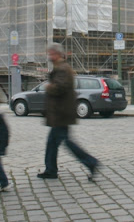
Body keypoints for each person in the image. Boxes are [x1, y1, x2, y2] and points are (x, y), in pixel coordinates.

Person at [37, 43, 99, 181]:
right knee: (52, 142)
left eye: (51, 53)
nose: (49, 56)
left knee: (67, 142)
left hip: (61, 113)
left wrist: (48, 87)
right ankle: (51, 169)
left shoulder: (63, 68)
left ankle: (91, 162)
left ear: (58, 54)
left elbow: (60, 88)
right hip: (60, 112)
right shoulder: (60, 68)